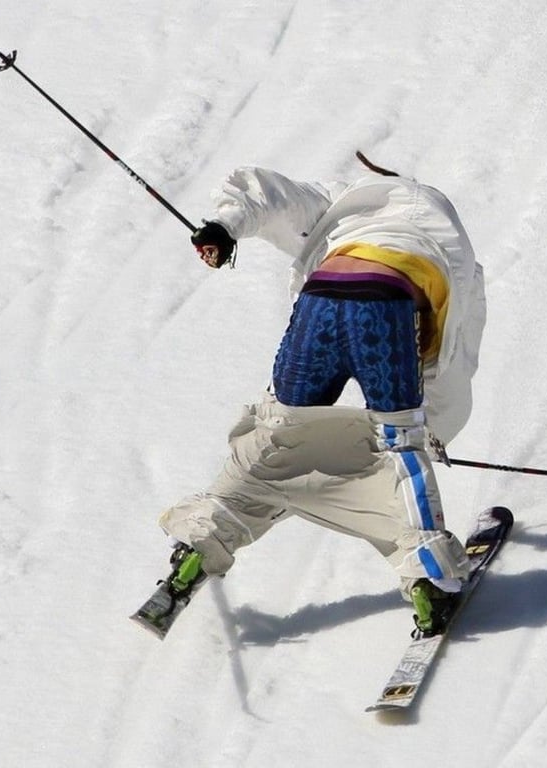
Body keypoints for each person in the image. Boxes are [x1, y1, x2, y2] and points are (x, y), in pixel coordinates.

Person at [158, 161, 487, 635]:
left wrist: (224, 228)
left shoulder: (350, 199)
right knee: (401, 447)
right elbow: (457, 355)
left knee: (277, 434)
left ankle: (202, 541)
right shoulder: (452, 237)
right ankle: (431, 581)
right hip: (387, 309)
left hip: (321, 306)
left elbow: (271, 196)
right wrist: (431, 433)